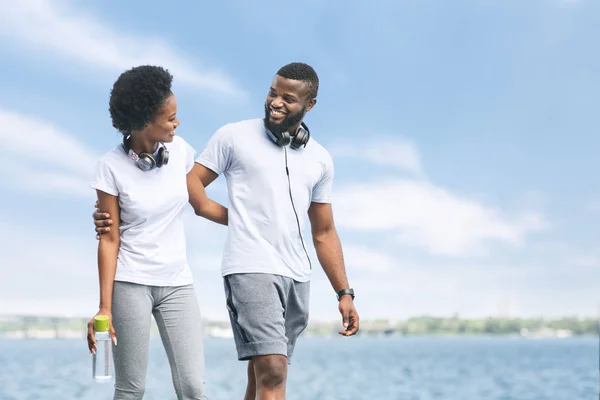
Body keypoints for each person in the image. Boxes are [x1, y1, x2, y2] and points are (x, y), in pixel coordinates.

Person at [94, 62, 360, 400]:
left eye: (287, 98)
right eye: (272, 93)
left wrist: (344, 291)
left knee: (231, 381)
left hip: (243, 277)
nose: (276, 102)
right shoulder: (231, 137)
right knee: (270, 370)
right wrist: (104, 300)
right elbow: (181, 198)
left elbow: (322, 230)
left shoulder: (318, 159)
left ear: (309, 106)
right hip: (214, 270)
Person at [87, 65, 227, 400]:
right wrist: (104, 307)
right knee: (131, 389)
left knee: (193, 387)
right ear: (145, 121)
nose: (177, 123)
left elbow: (204, 205)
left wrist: (254, 218)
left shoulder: (180, 152)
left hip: (178, 282)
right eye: (170, 118)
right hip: (130, 282)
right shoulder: (110, 167)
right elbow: (109, 237)